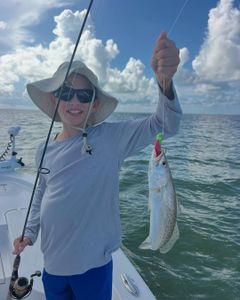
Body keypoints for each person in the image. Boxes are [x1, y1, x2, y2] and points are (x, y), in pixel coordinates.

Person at [13, 31, 182, 300]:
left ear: (95, 104)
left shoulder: (111, 139)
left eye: (84, 95)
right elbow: (40, 194)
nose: (74, 101)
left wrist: (165, 82)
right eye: (66, 93)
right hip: (53, 264)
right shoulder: (43, 149)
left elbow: (165, 124)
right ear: (55, 99)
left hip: (93, 267)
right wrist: (29, 232)